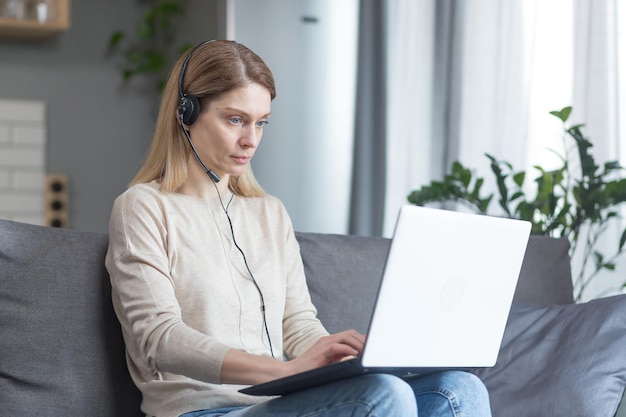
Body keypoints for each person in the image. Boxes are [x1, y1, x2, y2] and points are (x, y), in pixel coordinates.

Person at [105, 39, 493, 417]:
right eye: (235, 119)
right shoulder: (143, 207)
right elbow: (159, 338)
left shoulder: (269, 213)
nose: (250, 140)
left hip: (276, 404)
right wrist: (285, 371)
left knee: (459, 388)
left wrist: (335, 355)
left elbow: (296, 324)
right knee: (383, 395)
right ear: (184, 113)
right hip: (201, 411)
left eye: (261, 123)